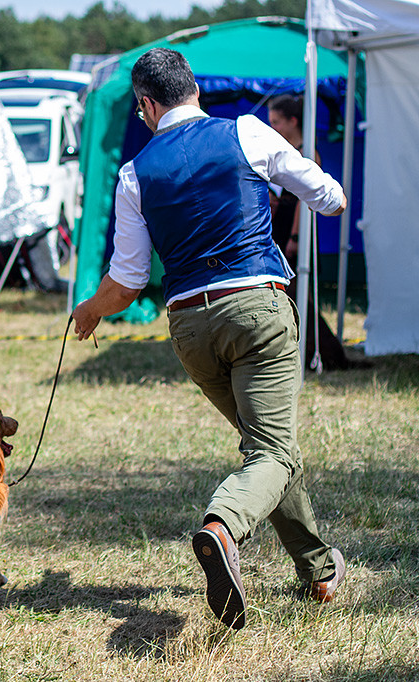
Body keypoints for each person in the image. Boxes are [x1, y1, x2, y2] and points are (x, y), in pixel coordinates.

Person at [70, 48, 347, 630]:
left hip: (191, 328)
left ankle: (319, 572)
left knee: (268, 449)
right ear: (194, 89)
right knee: (271, 452)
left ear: (146, 104)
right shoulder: (247, 130)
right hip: (259, 310)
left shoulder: (134, 173)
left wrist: (91, 311)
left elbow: (126, 282)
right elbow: (325, 196)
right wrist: (326, 194)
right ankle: (222, 527)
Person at [267, 93, 359, 370]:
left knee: (299, 297)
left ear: (292, 121)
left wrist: (295, 237)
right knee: (291, 296)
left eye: (276, 122)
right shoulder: (285, 151)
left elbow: (304, 205)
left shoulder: (308, 152)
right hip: (283, 230)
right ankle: (308, 351)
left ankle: (327, 354)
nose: (272, 127)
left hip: (297, 233)